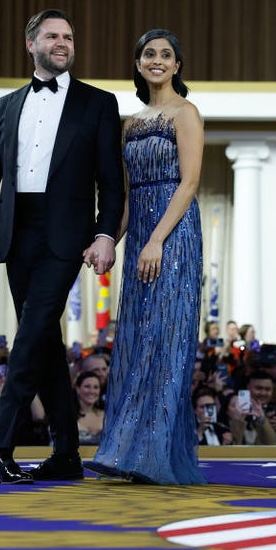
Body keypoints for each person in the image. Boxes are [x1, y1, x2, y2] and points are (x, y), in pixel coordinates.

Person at [0, 9, 124, 484]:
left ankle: (0, 448)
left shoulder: (98, 103)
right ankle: (66, 452)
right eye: (53, 35)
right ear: (32, 44)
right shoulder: (5, 106)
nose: (63, 42)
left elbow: (111, 179)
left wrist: (106, 234)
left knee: (27, 338)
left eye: (69, 35)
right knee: (43, 342)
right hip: (17, 232)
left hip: (66, 236)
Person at [85, 28, 204, 485]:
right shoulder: (130, 123)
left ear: (177, 65)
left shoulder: (186, 113)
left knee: (165, 340)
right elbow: (130, 193)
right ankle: (124, 450)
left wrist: (156, 240)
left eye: (166, 54)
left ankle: (152, 455)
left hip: (173, 240)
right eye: (148, 54)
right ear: (137, 64)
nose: (157, 60)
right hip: (140, 242)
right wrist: (109, 239)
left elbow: (189, 184)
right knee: (136, 341)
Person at [74, 371, 104, 445]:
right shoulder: (66, 417)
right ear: (78, 389)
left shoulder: (107, 416)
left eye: (96, 387)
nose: (92, 391)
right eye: (87, 386)